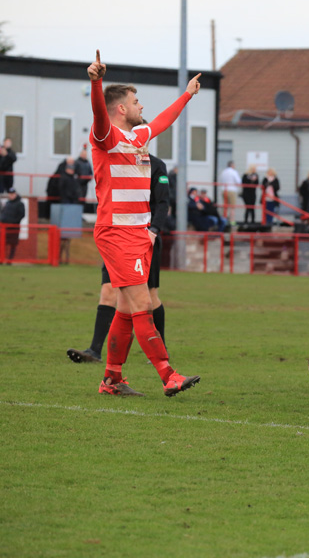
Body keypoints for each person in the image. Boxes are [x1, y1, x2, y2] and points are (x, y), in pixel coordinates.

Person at [85, 49, 200, 397]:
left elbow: (164, 120)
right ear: (121, 108)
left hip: (137, 233)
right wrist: (97, 82)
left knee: (125, 308)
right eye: (136, 102)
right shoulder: (106, 136)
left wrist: (187, 95)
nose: (141, 107)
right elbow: (99, 114)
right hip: (117, 232)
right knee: (142, 304)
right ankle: (168, 375)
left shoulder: (139, 138)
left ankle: (112, 379)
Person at [67, 154, 171, 364]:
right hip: (117, 240)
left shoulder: (156, 166)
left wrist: (154, 230)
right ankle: (94, 351)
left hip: (143, 239)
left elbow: (163, 202)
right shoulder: (116, 161)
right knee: (107, 291)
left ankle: (161, 349)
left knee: (150, 297)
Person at [1, 187, 25, 262]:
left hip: (14, 227)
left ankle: (10, 259)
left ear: (15, 194)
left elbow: (21, 215)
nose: (11, 196)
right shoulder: (7, 203)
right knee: (3, 243)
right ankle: (2, 259)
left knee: (13, 244)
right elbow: (3, 213)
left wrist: (13, 222)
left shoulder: (20, 204)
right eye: (10, 194)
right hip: (5, 227)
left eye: (12, 194)